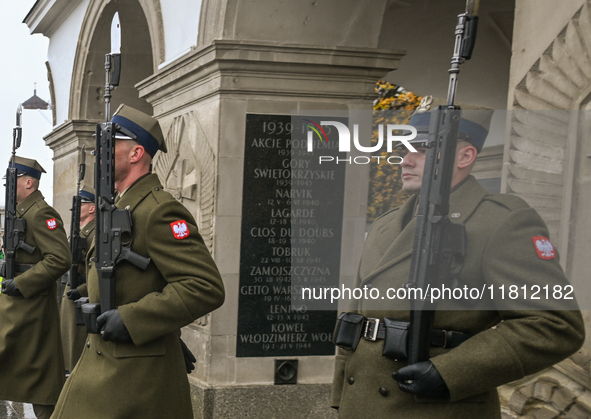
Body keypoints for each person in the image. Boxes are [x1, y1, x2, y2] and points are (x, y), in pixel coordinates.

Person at [330, 97, 585, 419]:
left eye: (421, 150)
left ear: (465, 155)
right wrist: (341, 396)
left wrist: (450, 373)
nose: (405, 161)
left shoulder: (500, 222)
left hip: (434, 408)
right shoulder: (387, 222)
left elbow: (555, 324)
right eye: (403, 151)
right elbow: (356, 320)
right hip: (363, 405)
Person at [51, 105, 225, 419]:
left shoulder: (159, 211)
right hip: (108, 359)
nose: (99, 153)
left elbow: (204, 287)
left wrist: (132, 319)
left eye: (109, 144)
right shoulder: (120, 207)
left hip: (135, 375)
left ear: (135, 153)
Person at [0, 156, 71, 419]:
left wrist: (21, 283)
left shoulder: (41, 212)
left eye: (13, 181)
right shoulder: (20, 212)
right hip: (16, 304)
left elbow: (60, 258)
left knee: (42, 381)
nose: (8, 186)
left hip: (32, 308)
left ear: (29, 182)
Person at [59, 184, 96, 375]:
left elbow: (96, 274)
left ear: (92, 208)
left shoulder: (95, 235)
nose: (75, 207)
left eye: (80, 203)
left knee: (78, 359)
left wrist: (81, 291)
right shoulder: (78, 233)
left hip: (82, 300)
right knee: (68, 358)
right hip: (69, 300)